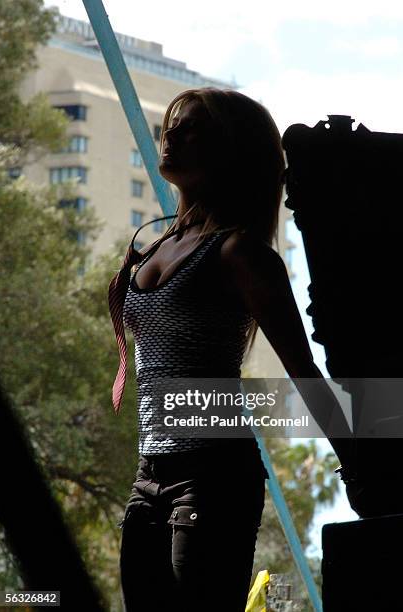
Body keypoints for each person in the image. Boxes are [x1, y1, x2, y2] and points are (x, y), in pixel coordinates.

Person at [109, 87, 353, 611]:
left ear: (230, 150)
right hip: (148, 474)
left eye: (191, 127)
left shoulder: (240, 253)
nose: (170, 134)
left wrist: (359, 458)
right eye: (172, 124)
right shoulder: (156, 243)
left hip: (212, 476)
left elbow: (302, 369)